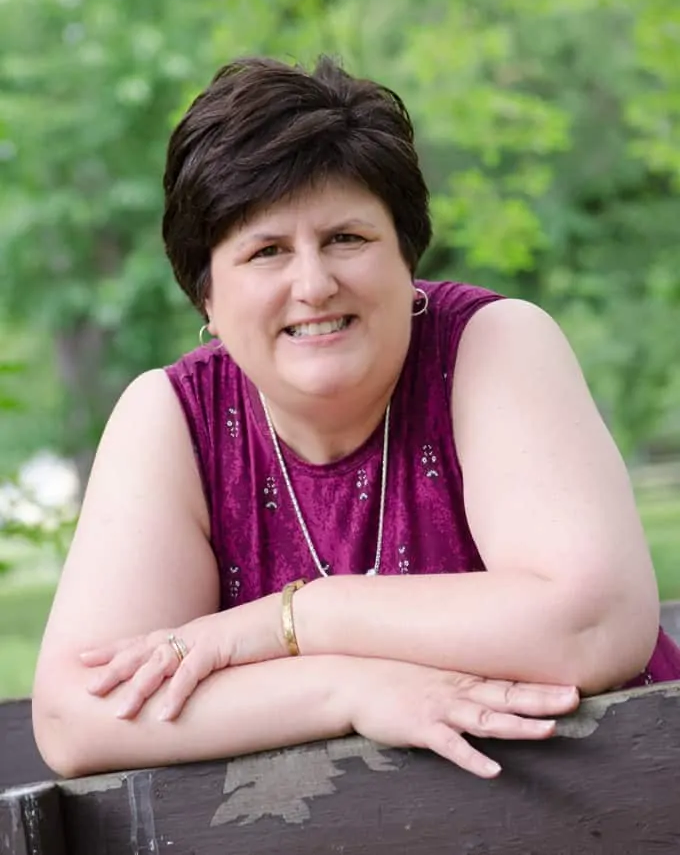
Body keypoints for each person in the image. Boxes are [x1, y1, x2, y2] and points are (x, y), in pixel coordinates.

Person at [32, 56, 680, 782]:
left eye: (346, 238)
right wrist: (350, 687)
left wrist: (300, 621)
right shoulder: (173, 418)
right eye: (267, 250)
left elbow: (592, 628)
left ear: (406, 259)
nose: (313, 283)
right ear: (207, 300)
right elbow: (77, 716)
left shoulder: (494, 344)